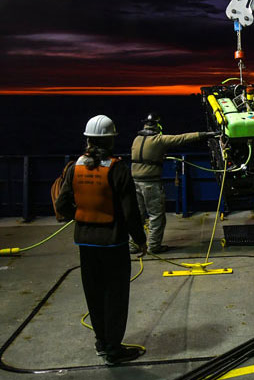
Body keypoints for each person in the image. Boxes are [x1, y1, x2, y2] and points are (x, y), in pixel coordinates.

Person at [55, 115, 147, 365]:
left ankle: (101, 343)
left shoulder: (75, 167)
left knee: (93, 294)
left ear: (88, 140)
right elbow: (130, 212)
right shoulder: (117, 169)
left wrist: (83, 216)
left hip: (85, 243)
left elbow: (62, 204)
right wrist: (140, 240)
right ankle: (114, 350)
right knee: (115, 296)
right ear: (110, 141)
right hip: (113, 243)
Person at [130, 112, 215, 254]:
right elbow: (182, 138)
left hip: (134, 183)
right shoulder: (159, 140)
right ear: (157, 126)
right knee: (156, 216)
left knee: (137, 216)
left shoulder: (136, 139)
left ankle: (134, 245)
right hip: (151, 184)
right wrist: (205, 134)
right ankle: (153, 246)